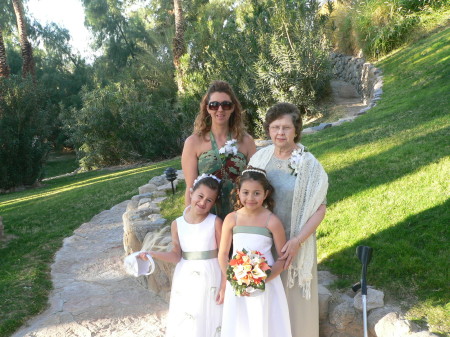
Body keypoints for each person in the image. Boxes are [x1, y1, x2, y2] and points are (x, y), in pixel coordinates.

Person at [248, 102, 328, 337]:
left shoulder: (310, 165)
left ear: (296, 130)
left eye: (285, 127)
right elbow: (246, 199)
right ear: (268, 129)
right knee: (265, 300)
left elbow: (320, 209)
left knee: (293, 305)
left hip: (292, 244)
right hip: (263, 244)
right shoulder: (259, 159)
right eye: (274, 127)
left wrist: (297, 241)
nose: (280, 133)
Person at [139, 174, 225, 337]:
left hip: (211, 275)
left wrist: (223, 285)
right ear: (191, 192)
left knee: (208, 316)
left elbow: (223, 255)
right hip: (186, 276)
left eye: (209, 200)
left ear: (214, 203)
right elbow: (176, 255)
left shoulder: (215, 222)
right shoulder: (177, 224)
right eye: (200, 196)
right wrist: (152, 253)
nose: (202, 202)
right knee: (188, 317)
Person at [218, 167, 292, 337]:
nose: (250, 198)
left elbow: (282, 259)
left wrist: (260, 280)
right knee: (240, 325)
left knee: (263, 324)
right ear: (238, 192)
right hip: (237, 283)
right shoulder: (232, 219)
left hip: (266, 284)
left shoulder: (272, 221)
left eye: (256, 193)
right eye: (245, 192)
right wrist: (234, 280)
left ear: (265, 194)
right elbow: (223, 255)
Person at [182, 80, 256, 220]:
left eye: (226, 105)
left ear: (233, 108)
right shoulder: (193, 143)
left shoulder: (246, 141)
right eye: (214, 105)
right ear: (207, 108)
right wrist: (190, 223)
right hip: (207, 217)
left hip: (241, 217)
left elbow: (255, 182)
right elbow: (190, 188)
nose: (220, 109)